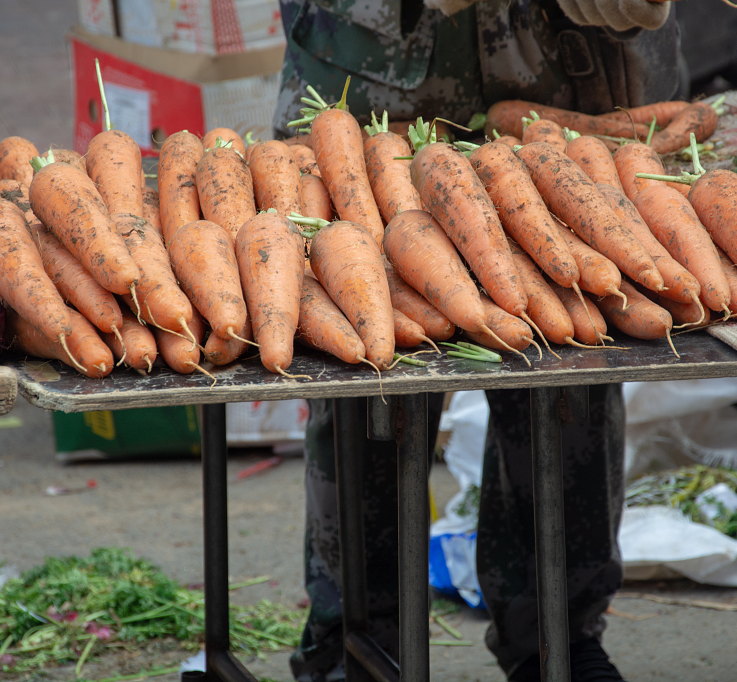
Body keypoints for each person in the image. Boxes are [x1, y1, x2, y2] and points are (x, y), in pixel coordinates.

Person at [273, 0, 682, 680]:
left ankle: (560, 637)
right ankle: (356, 638)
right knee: (365, 346)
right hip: (371, 85)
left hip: (569, 80)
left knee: (571, 343)